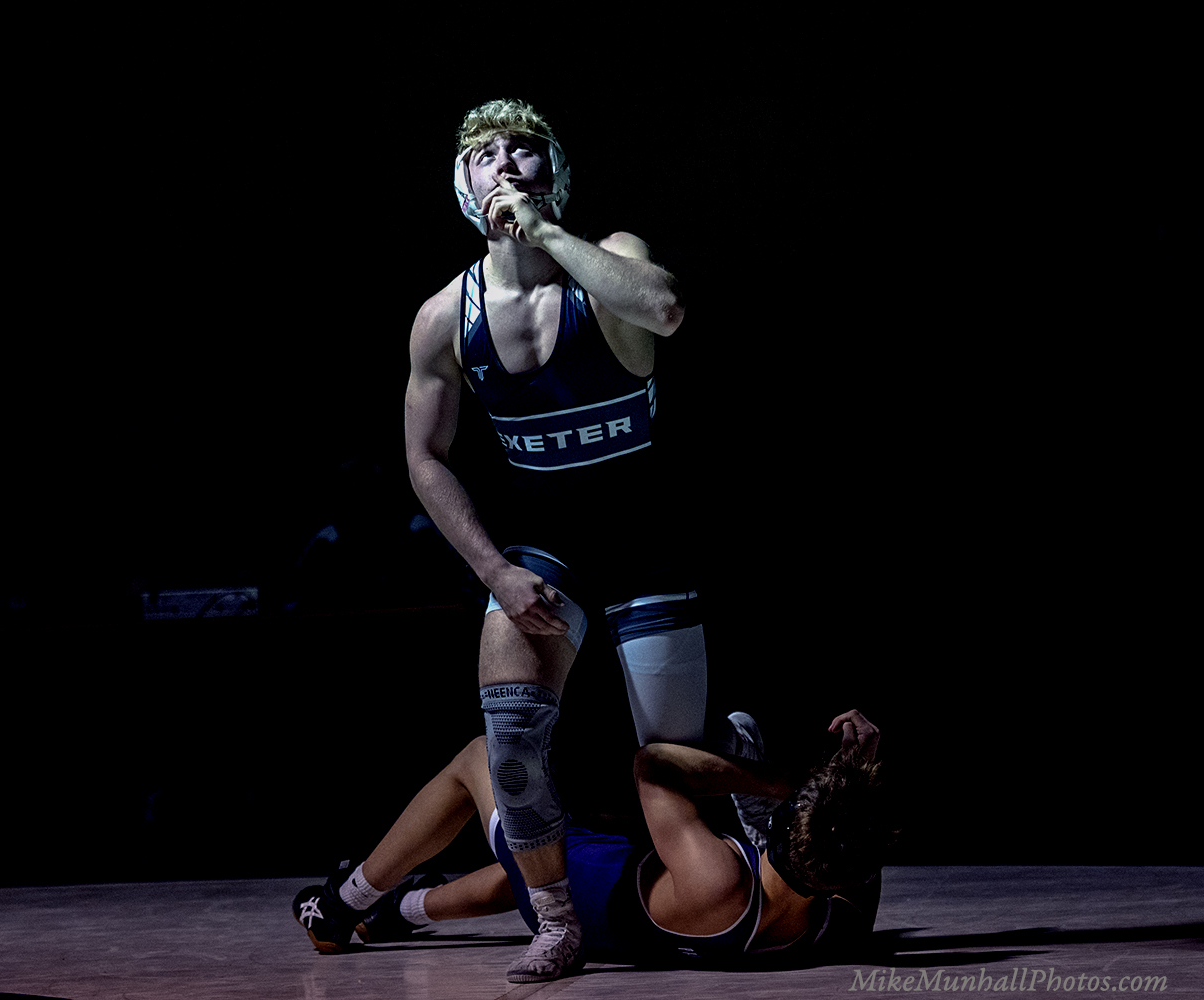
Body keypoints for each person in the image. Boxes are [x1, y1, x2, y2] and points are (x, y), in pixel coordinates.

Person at [403, 98, 705, 980]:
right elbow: (423, 458)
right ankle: (557, 922)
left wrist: (541, 231)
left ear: (556, 173)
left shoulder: (612, 257)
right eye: (484, 154)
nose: (504, 163)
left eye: (524, 150)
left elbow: (665, 309)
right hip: (545, 543)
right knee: (512, 741)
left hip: (645, 536)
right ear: (462, 187)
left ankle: (702, 870)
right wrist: (493, 569)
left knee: (672, 764)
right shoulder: (443, 317)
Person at [292, 710, 897, 977]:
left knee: (486, 756)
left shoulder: (721, 880)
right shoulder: (840, 919)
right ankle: (397, 912)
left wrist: (784, 780)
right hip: (620, 899)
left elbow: (652, 764)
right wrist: (852, 777)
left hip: (570, 891)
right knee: (517, 868)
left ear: (784, 825)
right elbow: (855, 839)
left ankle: (342, 904)